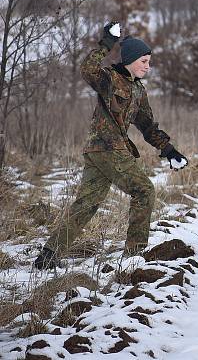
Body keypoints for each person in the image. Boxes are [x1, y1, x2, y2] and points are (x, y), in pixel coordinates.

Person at [34, 22, 188, 270]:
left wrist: (169, 150)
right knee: (144, 191)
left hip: (101, 153)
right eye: (144, 61)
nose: (148, 67)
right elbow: (87, 68)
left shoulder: (138, 91)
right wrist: (107, 42)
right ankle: (134, 257)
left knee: (87, 204)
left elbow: (148, 127)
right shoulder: (110, 79)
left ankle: (47, 256)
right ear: (129, 60)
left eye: (149, 62)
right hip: (106, 148)